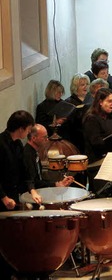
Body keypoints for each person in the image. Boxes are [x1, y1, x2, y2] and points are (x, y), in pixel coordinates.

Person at [0, 110, 35, 278]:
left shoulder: (17, 144)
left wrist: (32, 189)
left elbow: (24, 170)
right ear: (21, 129)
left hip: (12, 196)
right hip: (2, 197)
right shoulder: (0, 144)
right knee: (3, 239)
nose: (28, 133)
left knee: (13, 238)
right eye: (28, 129)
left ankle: (15, 271)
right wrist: (3, 197)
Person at [23, 124, 73, 189]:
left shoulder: (35, 151)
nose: (47, 140)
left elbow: (39, 179)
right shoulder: (27, 155)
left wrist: (58, 183)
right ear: (33, 138)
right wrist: (55, 185)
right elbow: (33, 182)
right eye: (44, 137)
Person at [65, 73, 91, 151]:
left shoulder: (91, 98)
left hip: (90, 134)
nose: (85, 87)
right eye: (82, 85)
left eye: (87, 84)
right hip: (77, 137)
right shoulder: (69, 102)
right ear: (75, 87)